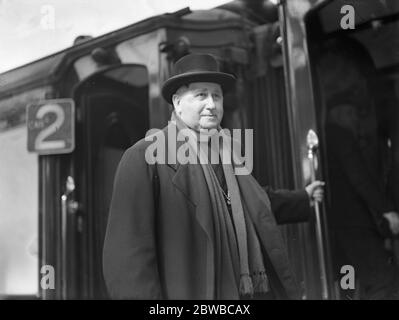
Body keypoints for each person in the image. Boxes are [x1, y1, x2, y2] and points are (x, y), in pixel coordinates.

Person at [102, 53, 324, 300]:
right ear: (177, 103)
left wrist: (303, 198)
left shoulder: (228, 152)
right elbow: (128, 260)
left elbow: (251, 204)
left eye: (216, 96)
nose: (212, 104)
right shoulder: (143, 157)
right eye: (201, 95)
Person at [325, 84, 399, 300]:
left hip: (336, 227)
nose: (355, 119)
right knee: (382, 280)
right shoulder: (341, 136)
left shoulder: (326, 138)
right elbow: (359, 178)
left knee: (347, 283)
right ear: (335, 115)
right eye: (350, 113)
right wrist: (387, 210)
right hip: (354, 224)